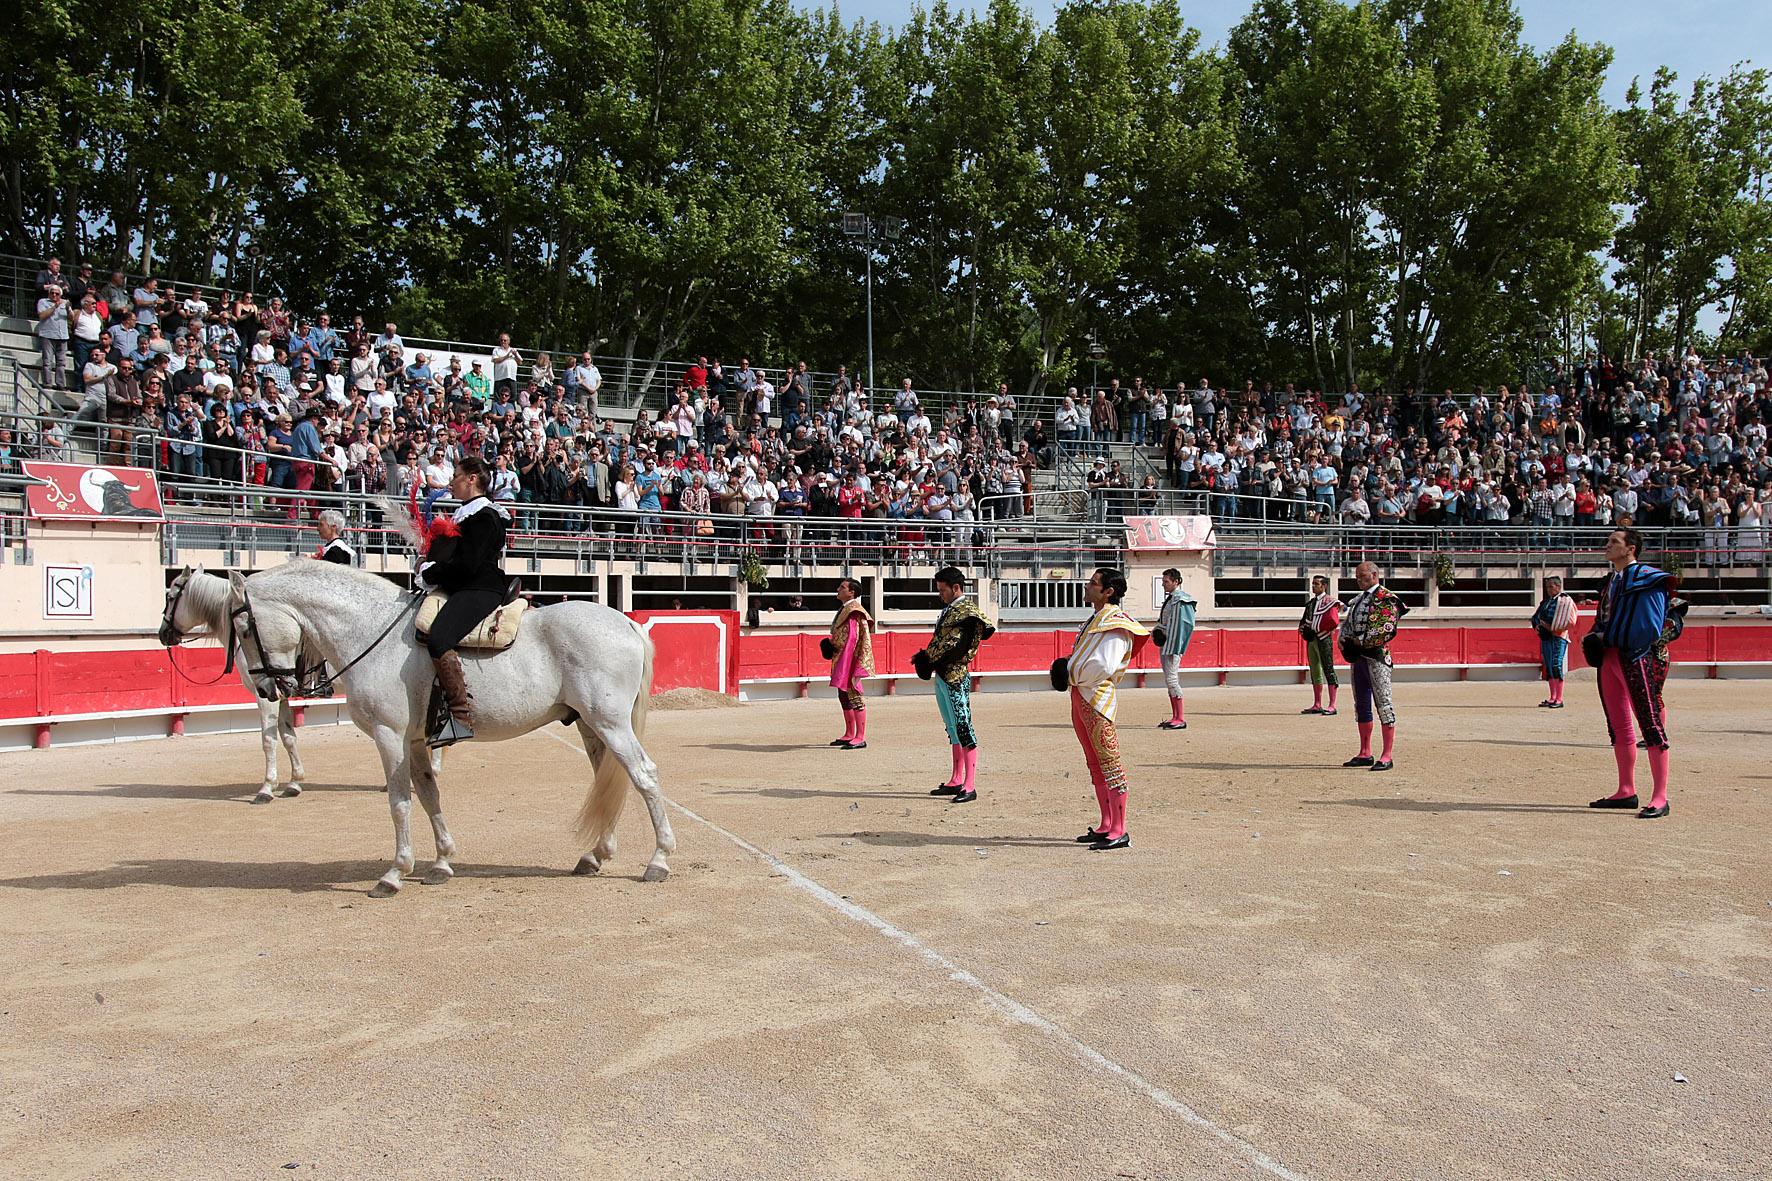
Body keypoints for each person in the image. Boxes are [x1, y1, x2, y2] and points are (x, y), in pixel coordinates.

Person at [1052, 567, 1149, 849]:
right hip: (1082, 695)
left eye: (1093, 583)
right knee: (1095, 762)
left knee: (1109, 761)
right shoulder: (1097, 619)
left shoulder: (1116, 623)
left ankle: (1119, 829)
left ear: (1108, 591)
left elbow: (1104, 666)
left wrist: (1070, 673)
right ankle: (1107, 825)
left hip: (1096, 698)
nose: (1087, 586)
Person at [418, 455, 511, 747]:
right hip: (465, 585)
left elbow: (467, 566)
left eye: (456, 475)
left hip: (479, 587)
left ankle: (459, 717)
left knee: (439, 638)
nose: (451, 482)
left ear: (471, 479)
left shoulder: (485, 516)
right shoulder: (466, 513)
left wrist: (429, 572)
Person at [1586, 527, 1676, 818]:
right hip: (1609, 658)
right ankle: (1626, 790)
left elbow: (1649, 628)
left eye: (1614, 541)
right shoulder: (1612, 580)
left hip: (1635, 656)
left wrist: (1607, 637)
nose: (1607, 545)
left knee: (1649, 723)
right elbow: (1603, 619)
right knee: (1618, 724)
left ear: (1631, 548)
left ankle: (1660, 797)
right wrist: (1595, 637)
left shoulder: (1650, 579)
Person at [915, 567, 996, 803]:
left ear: (956, 588)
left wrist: (930, 658)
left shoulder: (968, 612)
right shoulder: (952, 610)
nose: (940, 594)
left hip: (956, 675)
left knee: (963, 727)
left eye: (943, 590)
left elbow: (956, 646)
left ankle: (969, 785)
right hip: (943, 674)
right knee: (952, 728)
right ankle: (956, 779)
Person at [1337, 561, 1404, 770]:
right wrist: (1342, 639)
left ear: (1374, 575)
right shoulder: (1358, 600)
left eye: (1362, 575)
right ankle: (1365, 752)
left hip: (1377, 657)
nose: (1358, 579)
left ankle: (1387, 756)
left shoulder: (1387, 598)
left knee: (1384, 704)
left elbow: (1386, 628)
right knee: (1362, 705)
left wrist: (1358, 641)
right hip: (1359, 659)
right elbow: (1347, 624)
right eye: (1357, 576)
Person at [821, 577, 874, 750]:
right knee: (844, 695)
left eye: (842, 587)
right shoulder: (847, 609)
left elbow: (852, 639)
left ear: (851, 592)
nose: (838, 589)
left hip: (849, 660)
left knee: (854, 696)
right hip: (843, 658)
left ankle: (860, 737)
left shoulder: (854, 611)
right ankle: (850, 733)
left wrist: (847, 663)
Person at [1152, 567, 1197, 730]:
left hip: (1172, 645)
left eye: (1166, 581)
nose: (1163, 584)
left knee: (1171, 679)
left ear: (1176, 582)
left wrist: (1168, 638)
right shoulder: (1174, 599)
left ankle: (1180, 718)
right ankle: (1175, 716)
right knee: (1169, 679)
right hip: (1167, 643)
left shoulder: (1181, 600)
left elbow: (1181, 626)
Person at [1299, 575, 1342, 715]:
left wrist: (1316, 629)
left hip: (1324, 639)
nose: (1313, 586)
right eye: (1313, 583)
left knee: (1328, 669)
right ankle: (1317, 704)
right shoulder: (1311, 603)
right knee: (1315, 670)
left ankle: (1332, 705)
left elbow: (1333, 622)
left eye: (1316, 584)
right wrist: (1304, 630)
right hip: (1312, 640)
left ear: (1324, 586)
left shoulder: (1330, 602)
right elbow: (1304, 619)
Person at [1532, 575, 1577, 708]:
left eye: (1551, 587)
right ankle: (1553, 697)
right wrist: (1538, 627)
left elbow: (1569, 621)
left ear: (1558, 587)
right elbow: (1535, 617)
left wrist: (1552, 627)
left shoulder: (1565, 601)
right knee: (1549, 666)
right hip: (1546, 637)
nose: (1549, 590)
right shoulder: (1546, 602)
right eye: (1547, 587)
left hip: (1559, 636)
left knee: (1556, 665)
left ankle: (1559, 698)